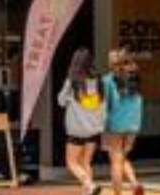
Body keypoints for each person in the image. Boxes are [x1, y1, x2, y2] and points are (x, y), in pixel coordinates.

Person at [58, 48, 106, 195]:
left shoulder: (72, 81)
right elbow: (103, 103)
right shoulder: (99, 80)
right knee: (86, 162)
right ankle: (88, 191)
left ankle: (90, 185)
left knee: (72, 162)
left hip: (77, 130)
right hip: (94, 128)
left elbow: (61, 101)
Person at [103, 49, 144, 195]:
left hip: (115, 125)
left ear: (113, 63)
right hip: (133, 124)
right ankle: (134, 183)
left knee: (115, 161)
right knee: (122, 157)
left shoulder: (108, 80)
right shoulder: (134, 77)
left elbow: (105, 105)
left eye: (110, 59)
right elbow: (138, 101)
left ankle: (118, 193)